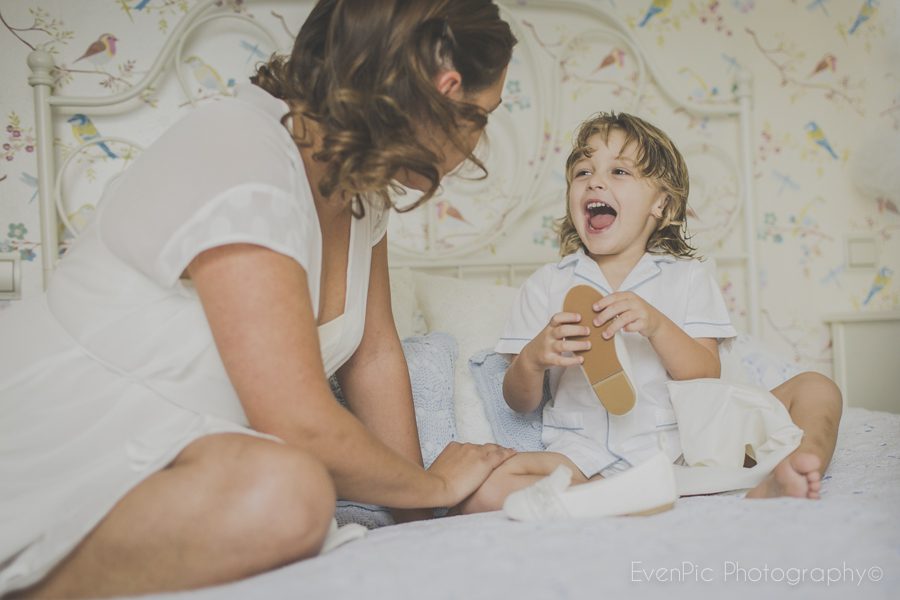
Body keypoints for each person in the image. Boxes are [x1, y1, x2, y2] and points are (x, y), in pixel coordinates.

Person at [0, 1, 518, 597]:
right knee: (290, 493)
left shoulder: (361, 189)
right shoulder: (239, 149)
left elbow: (372, 356)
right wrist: (433, 486)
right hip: (63, 444)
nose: (477, 139)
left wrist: (420, 523)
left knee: (286, 493)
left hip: (177, 465)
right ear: (445, 90)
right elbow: (293, 417)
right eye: (481, 115)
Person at [460, 112, 843, 514]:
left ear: (661, 203)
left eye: (619, 171)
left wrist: (657, 325)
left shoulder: (687, 278)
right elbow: (519, 402)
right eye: (582, 171)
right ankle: (613, 495)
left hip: (684, 450)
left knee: (817, 387)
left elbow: (704, 372)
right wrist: (535, 358)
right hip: (584, 457)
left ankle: (795, 466)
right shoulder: (546, 285)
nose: (595, 180)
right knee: (483, 489)